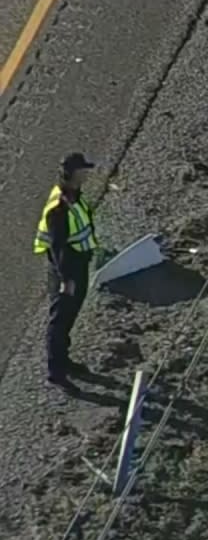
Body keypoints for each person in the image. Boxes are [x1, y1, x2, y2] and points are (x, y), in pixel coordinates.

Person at [34, 153, 101, 391]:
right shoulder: (59, 207)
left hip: (78, 265)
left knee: (69, 317)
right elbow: (58, 246)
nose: (86, 174)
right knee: (60, 319)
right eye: (83, 170)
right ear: (72, 174)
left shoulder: (74, 197)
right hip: (67, 270)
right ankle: (56, 371)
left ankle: (64, 360)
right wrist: (66, 280)